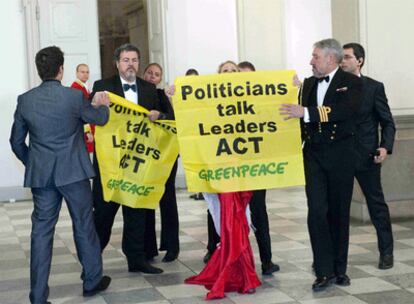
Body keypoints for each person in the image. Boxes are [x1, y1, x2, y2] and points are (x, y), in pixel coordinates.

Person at [9, 46, 111, 304]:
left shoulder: (25, 100)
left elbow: (16, 141)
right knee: (84, 226)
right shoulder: (73, 98)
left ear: (39, 70)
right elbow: (98, 120)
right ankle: (92, 281)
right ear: (61, 70)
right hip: (74, 173)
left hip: (42, 177)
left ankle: (38, 297)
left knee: (41, 233)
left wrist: (33, 162)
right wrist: (103, 106)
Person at [279, 38, 363, 291]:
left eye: (315, 56)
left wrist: (306, 112)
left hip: (340, 156)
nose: (311, 61)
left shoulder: (352, 83)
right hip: (313, 155)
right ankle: (322, 269)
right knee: (316, 212)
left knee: (338, 212)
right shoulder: (307, 84)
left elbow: (342, 111)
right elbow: (293, 113)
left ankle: (340, 268)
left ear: (330, 59)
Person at [186, 61, 261, 299]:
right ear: (218, 76)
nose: (229, 74)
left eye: (233, 71)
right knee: (229, 220)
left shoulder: (249, 100)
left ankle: (241, 272)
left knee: (241, 219)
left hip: (243, 171)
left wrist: (293, 87)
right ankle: (238, 273)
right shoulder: (209, 102)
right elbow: (193, 119)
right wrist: (175, 93)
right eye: (225, 71)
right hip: (221, 172)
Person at [91, 43, 164, 274]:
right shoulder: (103, 87)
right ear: (117, 63)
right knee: (103, 214)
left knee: (136, 213)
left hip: (138, 163)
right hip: (110, 163)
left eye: (134, 60)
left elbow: (168, 117)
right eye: (126, 60)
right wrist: (96, 104)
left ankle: (136, 259)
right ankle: (91, 261)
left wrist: (159, 114)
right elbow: (89, 112)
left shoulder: (149, 89)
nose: (130, 64)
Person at [341, 43, 395, 269]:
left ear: (359, 60)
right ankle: (332, 260)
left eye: (346, 57)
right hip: (340, 157)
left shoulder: (374, 87)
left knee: (376, 205)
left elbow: (387, 122)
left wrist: (385, 147)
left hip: (366, 155)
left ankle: (386, 252)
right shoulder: (333, 87)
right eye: (340, 58)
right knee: (336, 208)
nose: (342, 61)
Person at [142, 62, 180, 262]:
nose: (152, 77)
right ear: (144, 74)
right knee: (146, 199)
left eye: (156, 74)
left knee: (167, 199)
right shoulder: (136, 93)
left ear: (160, 78)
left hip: (165, 155)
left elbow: (174, 119)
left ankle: (172, 246)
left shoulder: (162, 95)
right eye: (149, 73)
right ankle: (148, 248)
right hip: (143, 155)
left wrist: (161, 116)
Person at [70, 63, 95, 154]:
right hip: (83, 131)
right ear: (76, 73)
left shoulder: (82, 87)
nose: (85, 74)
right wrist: (88, 131)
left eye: (87, 72)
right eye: (82, 72)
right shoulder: (77, 88)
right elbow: (80, 113)